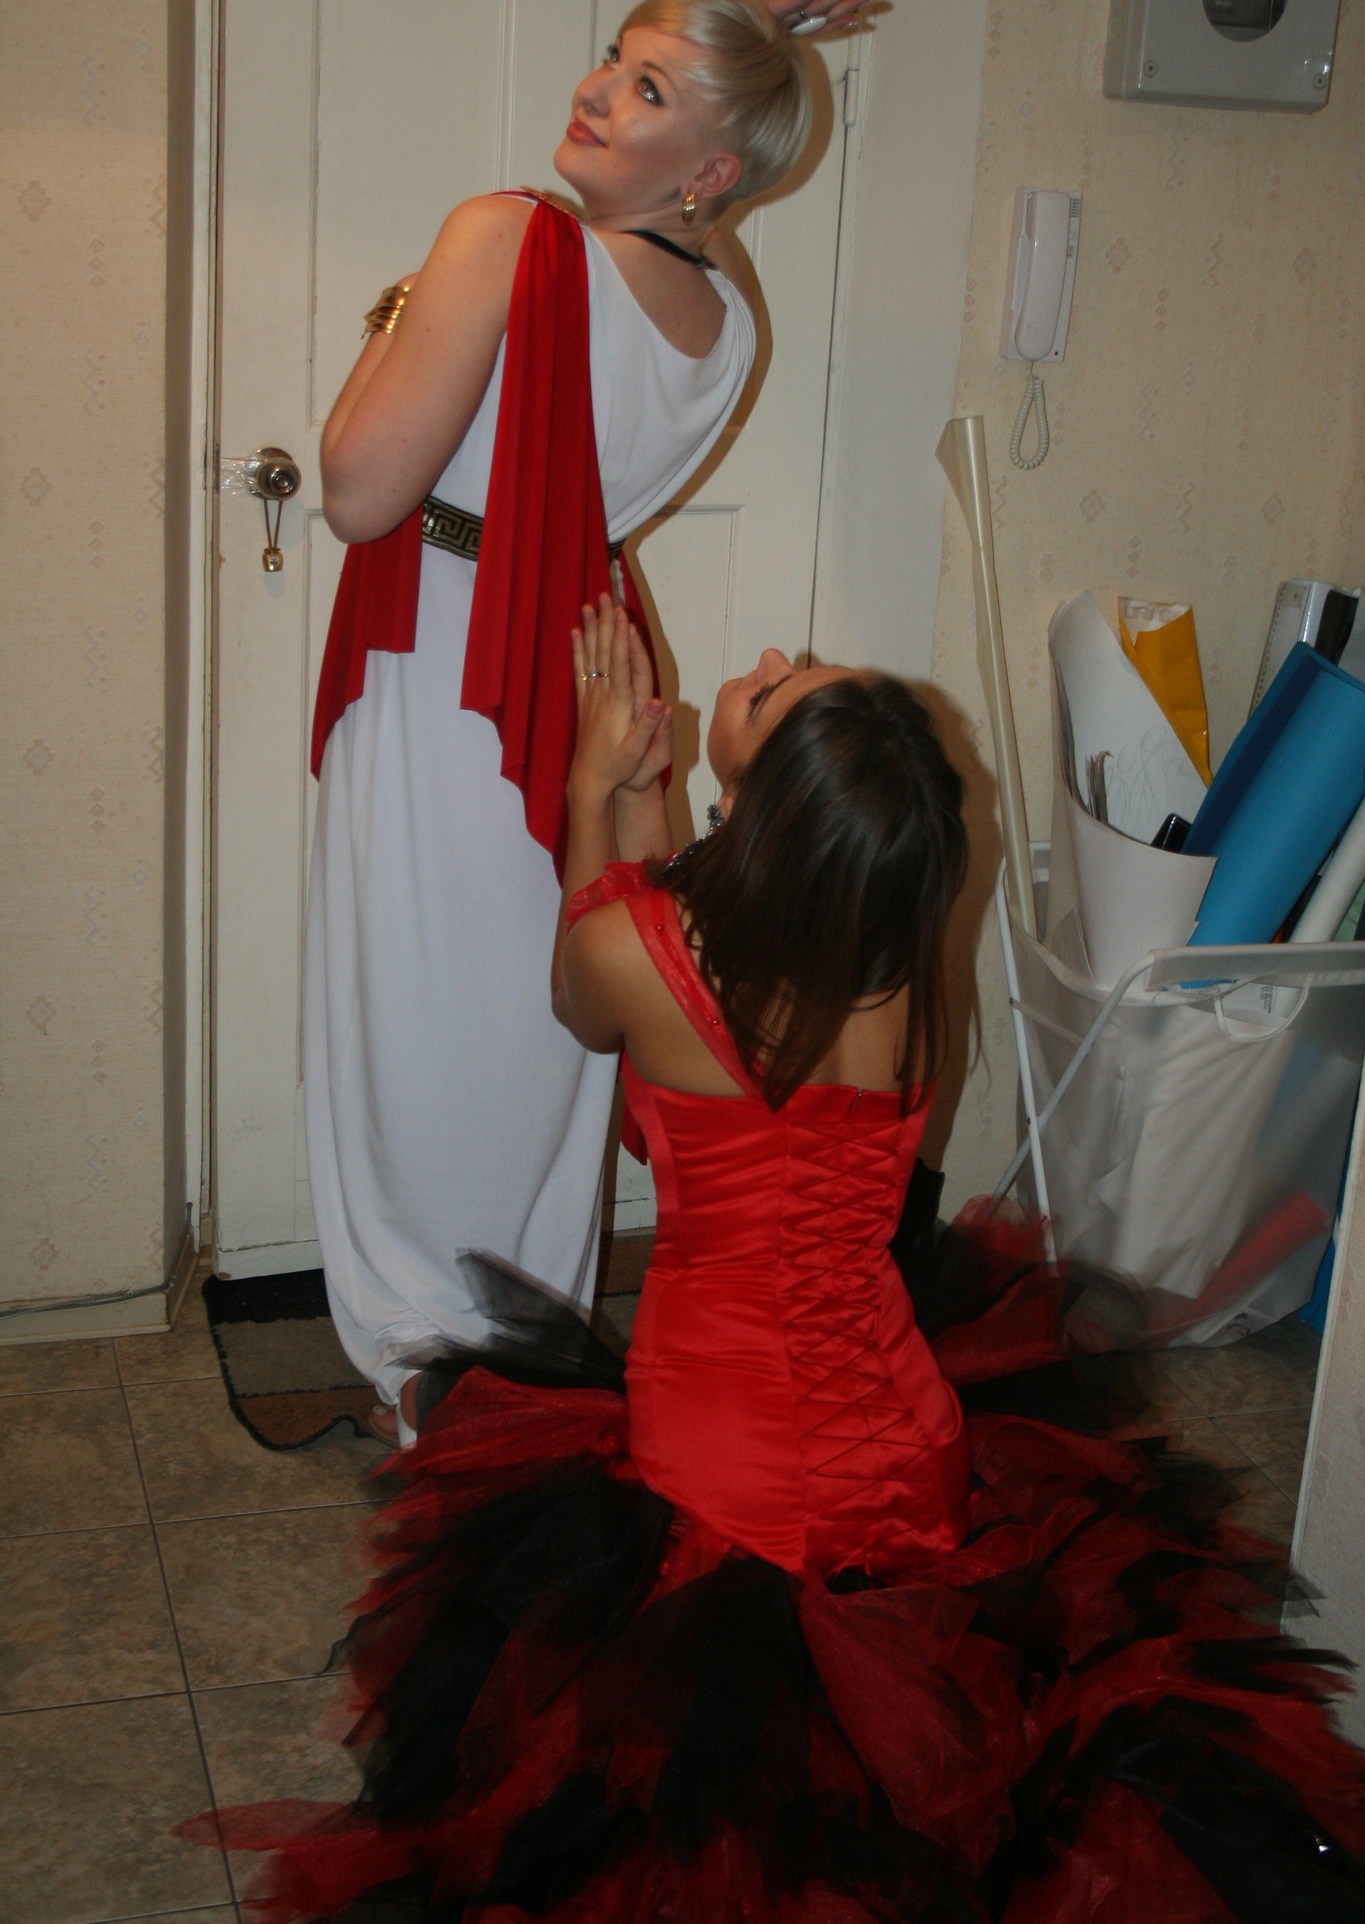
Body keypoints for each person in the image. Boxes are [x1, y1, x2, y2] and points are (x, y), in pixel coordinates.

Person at [203, 603, 1365, 1921]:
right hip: (903, 1447)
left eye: (776, 690)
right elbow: (704, 944)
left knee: (693, 1815)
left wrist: (592, 786)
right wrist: (657, 790)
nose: (761, 664)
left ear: (772, 812)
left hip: (724, 1479)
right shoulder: (901, 958)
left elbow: (586, 982)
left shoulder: (645, 956)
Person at [305, 0, 872, 1444]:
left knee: (411, 1015)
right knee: (540, 1019)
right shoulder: (731, 316)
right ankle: (525, 1347)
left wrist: (404, 305)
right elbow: (648, 279)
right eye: (611, 59)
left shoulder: (505, 237)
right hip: (585, 667)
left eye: (645, 88)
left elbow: (357, 490)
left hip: (448, 665)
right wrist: (743, 58)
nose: (595, 91)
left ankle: (423, 1363)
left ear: (711, 170)